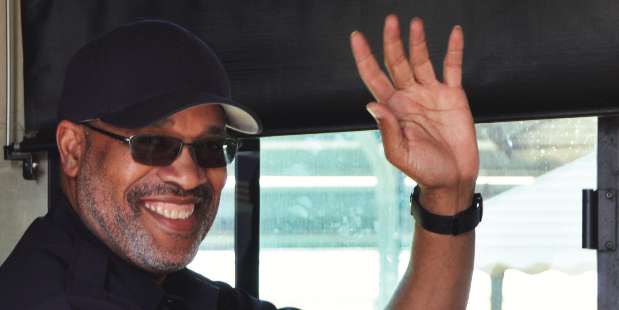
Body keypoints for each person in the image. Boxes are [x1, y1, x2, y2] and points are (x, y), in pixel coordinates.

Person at [0, 14, 479, 310]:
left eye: (209, 148)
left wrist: (447, 194)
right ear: (73, 150)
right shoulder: (60, 299)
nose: (188, 176)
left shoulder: (171, 289)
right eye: (151, 143)